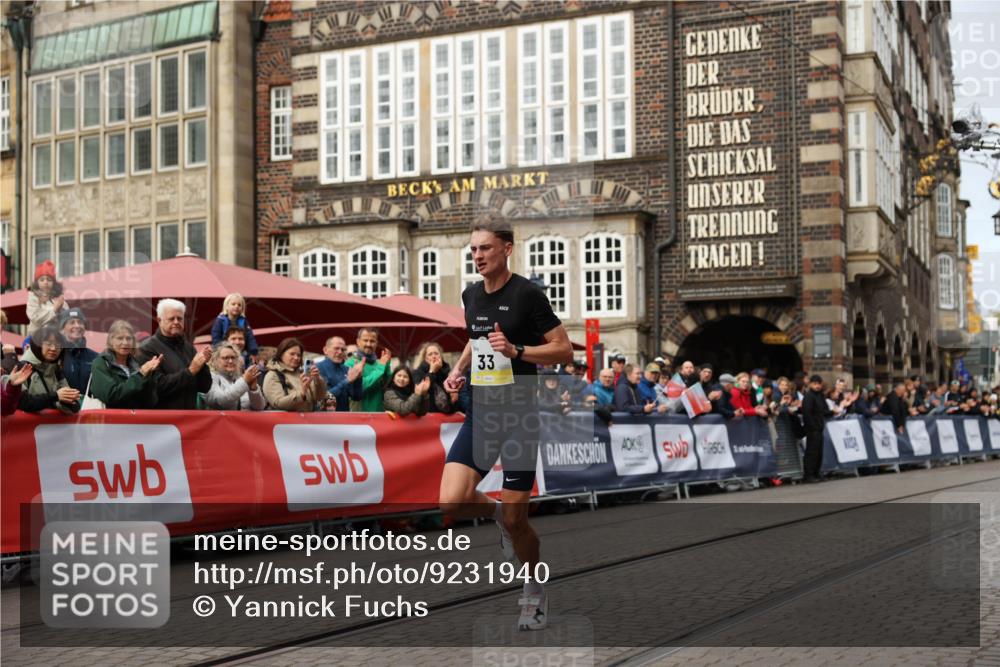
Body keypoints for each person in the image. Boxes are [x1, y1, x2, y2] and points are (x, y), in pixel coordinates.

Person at [439, 214, 573, 632]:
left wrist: (517, 350)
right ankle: (496, 514)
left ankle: (533, 592)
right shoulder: (470, 295)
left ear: (506, 249)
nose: (476, 255)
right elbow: (476, 338)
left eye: (484, 248)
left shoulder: (528, 294)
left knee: (520, 522)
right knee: (451, 502)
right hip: (481, 412)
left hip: (518, 416)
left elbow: (563, 349)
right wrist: (458, 368)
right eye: (473, 249)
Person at [137, 298, 213, 410]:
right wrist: (190, 371)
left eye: (180, 318)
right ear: (159, 320)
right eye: (171, 319)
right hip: (162, 420)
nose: (176, 322)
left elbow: (205, 387)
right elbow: (156, 388)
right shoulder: (146, 348)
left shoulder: (188, 347)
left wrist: (202, 366)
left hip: (189, 418)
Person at [89, 320, 162, 409]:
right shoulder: (101, 363)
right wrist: (141, 375)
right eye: (120, 338)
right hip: (111, 421)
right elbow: (111, 396)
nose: (125, 342)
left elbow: (150, 402)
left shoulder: (137, 363)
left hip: (136, 420)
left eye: (128, 338)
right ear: (111, 341)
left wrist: (149, 374)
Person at [16, 326, 80, 414]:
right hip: (27, 426)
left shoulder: (56, 370)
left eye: (58, 345)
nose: (54, 349)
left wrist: (67, 400)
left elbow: (75, 406)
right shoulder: (23, 367)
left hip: (53, 427)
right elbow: (22, 402)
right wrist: (56, 396)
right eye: (49, 344)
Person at [263, 337, 328, 411]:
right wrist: (302, 394)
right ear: (281, 354)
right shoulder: (272, 375)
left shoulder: (303, 374)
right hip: (285, 421)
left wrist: (318, 379)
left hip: (307, 420)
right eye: (292, 354)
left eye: (299, 355)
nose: (296, 358)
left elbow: (320, 397)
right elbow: (277, 403)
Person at [204, 343, 266, 411]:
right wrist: (244, 381)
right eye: (226, 358)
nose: (230, 361)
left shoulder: (242, 377)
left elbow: (260, 407)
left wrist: (253, 389)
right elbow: (219, 401)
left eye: (233, 358)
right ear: (215, 360)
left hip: (245, 421)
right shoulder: (210, 376)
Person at [345, 327, 393, 412]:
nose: (369, 344)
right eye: (365, 340)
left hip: (379, 415)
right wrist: (380, 367)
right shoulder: (350, 363)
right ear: (358, 342)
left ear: (377, 343)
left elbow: (389, 387)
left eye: (372, 341)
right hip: (359, 416)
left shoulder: (379, 363)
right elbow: (361, 386)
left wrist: (387, 366)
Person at [315, 336, 364, 412]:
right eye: (336, 348)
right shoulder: (317, 368)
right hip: (324, 419)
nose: (340, 352)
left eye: (343, 349)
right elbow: (325, 398)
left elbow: (357, 397)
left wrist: (358, 378)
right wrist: (347, 380)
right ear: (325, 350)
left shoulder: (346, 369)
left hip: (344, 418)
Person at [412, 342, 461, 414]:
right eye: (430, 354)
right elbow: (422, 391)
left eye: (436, 353)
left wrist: (453, 400)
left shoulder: (446, 374)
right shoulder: (417, 373)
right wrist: (432, 371)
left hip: (445, 419)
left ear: (441, 356)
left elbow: (451, 403)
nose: (434, 356)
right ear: (425, 358)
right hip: (426, 418)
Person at [801, 374, 833, 482]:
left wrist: (833, 412)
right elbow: (807, 413)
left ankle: (816, 473)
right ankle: (808, 475)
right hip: (812, 429)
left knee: (819, 452)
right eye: (815, 384)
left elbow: (825, 410)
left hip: (819, 428)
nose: (817, 386)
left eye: (819, 384)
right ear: (810, 384)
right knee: (811, 452)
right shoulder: (809, 396)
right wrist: (812, 426)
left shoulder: (820, 396)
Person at [58, 308, 98, 394]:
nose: (77, 326)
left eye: (80, 322)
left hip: (90, 406)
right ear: (62, 329)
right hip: (61, 406)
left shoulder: (96, 357)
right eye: (72, 322)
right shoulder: (55, 355)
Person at [210, 293, 259, 362]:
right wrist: (220, 350)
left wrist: (253, 351)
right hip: (223, 351)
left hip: (241, 352)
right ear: (226, 306)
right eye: (233, 304)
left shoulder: (244, 321)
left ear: (242, 308)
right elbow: (216, 338)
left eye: (239, 305)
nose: (236, 306)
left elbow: (250, 337)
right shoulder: (220, 321)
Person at [26, 260, 69, 338]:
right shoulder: (33, 297)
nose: (45, 282)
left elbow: (67, 320)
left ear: (54, 283)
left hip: (56, 340)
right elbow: (35, 318)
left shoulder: (59, 299)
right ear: (37, 283)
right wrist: (54, 309)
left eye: (49, 280)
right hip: (36, 340)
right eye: (42, 280)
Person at [772, 377, 803, 480]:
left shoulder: (784, 395)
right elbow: (776, 410)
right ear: (778, 385)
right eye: (782, 384)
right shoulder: (776, 395)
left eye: (786, 385)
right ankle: (780, 472)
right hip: (779, 425)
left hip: (785, 424)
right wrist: (789, 408)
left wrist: (790, 405)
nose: (784, 386)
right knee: (781, 446)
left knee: (785, 447)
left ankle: (786, 470)